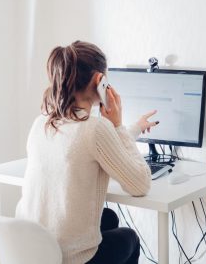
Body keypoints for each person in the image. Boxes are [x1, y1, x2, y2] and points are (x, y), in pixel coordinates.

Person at [16, 41, 156, 264]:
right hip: (69, 258)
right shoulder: (96, 128)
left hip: (33, 250)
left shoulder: (41, 122)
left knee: (108, 218)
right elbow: (140, 184)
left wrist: (135, 128)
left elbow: (98, 146)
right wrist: (117, 125)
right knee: (129, 238)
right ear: (100, 80)